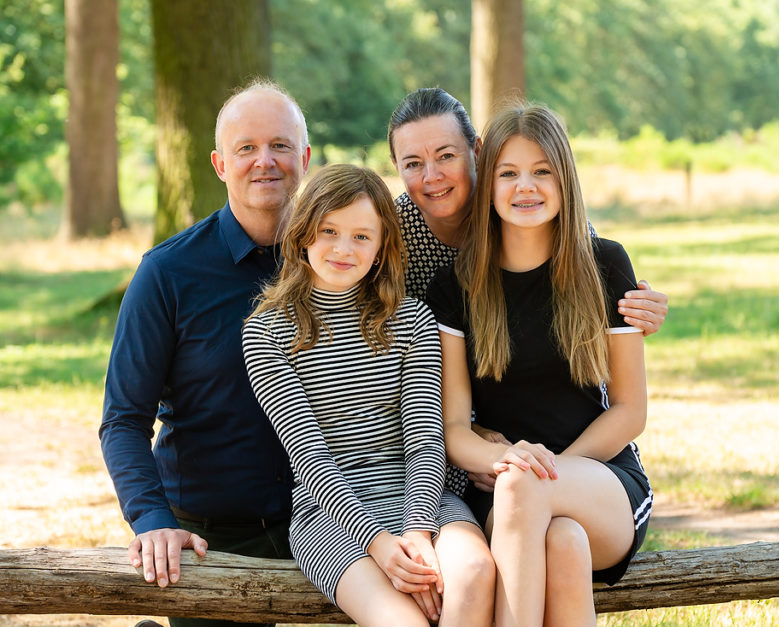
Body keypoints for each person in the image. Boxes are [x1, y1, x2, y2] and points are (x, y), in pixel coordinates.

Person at [425, 103, 652, 626]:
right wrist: (504, 466)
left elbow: (629, 411)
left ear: (564, 178)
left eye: (541, 171)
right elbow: (454, 428)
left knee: (531, 495)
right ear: (489, 184)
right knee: (562, 543)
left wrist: (543, 473)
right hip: (503, 492)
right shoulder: (455, 287)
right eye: (508, 173)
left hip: (602, 479)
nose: (525, 186)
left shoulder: (605, 263)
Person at [241, 164, 494, 627]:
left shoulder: (413, 320)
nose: (343, 248)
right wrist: (379, 543)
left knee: (475, 572)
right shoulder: (267, 331)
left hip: (421, 497)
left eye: (362, 236)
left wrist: (417, 533)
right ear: (301, 236)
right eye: (329, 231)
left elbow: (424, 440)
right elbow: (310, 458)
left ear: (381, 249)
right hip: (331, 514)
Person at [99, 80, 311, 627]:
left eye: (281, 146)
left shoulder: (342, 263)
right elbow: (123, 420)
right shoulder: (167, 274)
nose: (265, 161)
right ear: (220, 164)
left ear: (305, 158)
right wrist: (151, 520)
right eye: (247, 148)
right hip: (208, 540)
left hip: (327, 530)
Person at [387, 87, 667, 495]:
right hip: (454, 445)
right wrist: (478, 439)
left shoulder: (545, 223)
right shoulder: (388, 242)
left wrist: (638, 308)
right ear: (396, 167)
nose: (432, 176)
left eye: (446, 155)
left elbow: (587, 290)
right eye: (413, 163)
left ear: (477, 152)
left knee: (554, 524)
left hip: (570, 453)